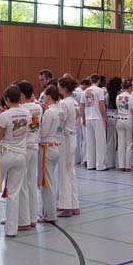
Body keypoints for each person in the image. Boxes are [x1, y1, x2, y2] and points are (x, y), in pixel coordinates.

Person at [0, 85, 31, 237]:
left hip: (6, 153)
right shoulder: (27, 113)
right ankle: (11, 230)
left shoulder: (5, 115)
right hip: (21, 154)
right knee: (14, 193)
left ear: (7, 99)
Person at [17, 81, 42, 231]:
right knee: (32, 184)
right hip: (34, 146)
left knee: (22, 185)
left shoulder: (21, 109)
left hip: (24, 148)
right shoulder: (38, 107)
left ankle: (23, 219)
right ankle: (33, 217)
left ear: (21, 95)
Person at [38, 85, 63, 223]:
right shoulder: (60, 110)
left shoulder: (49, 112)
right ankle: (48, 212)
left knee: (46, 183)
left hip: (47, 147)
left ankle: (50, 214)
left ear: (48, 97)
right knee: (50, 181)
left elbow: (44, 132)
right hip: (56, 145)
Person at [56, 77, 80, 217]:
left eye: (60, 87)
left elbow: (60, 122)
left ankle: (66, 207)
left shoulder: (64, 103)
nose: (58, 89)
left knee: (64, 172)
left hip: (66, 137)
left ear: (64, 88)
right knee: (70, 172)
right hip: (72, 137)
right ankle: (74, 204)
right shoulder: (75, 102)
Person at [81, 74, 108, 171]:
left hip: (88, 117)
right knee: (100, 142)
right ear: (98, 81)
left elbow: (82, 106)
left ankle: (91, 164)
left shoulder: (85, 91)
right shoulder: (100, 90)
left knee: (90, 142)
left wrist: (83, 118)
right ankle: (100, 165)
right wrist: (105, 117)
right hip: (98, 117)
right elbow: (101, 104)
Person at [114, 80, 133, 171]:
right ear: (130, 87)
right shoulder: (132, 97)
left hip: (119, 119)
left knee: (120, 143)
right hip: (128, 120)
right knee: (129, 143)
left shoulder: (118, 97)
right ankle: (128, 166)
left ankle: (121, 165)